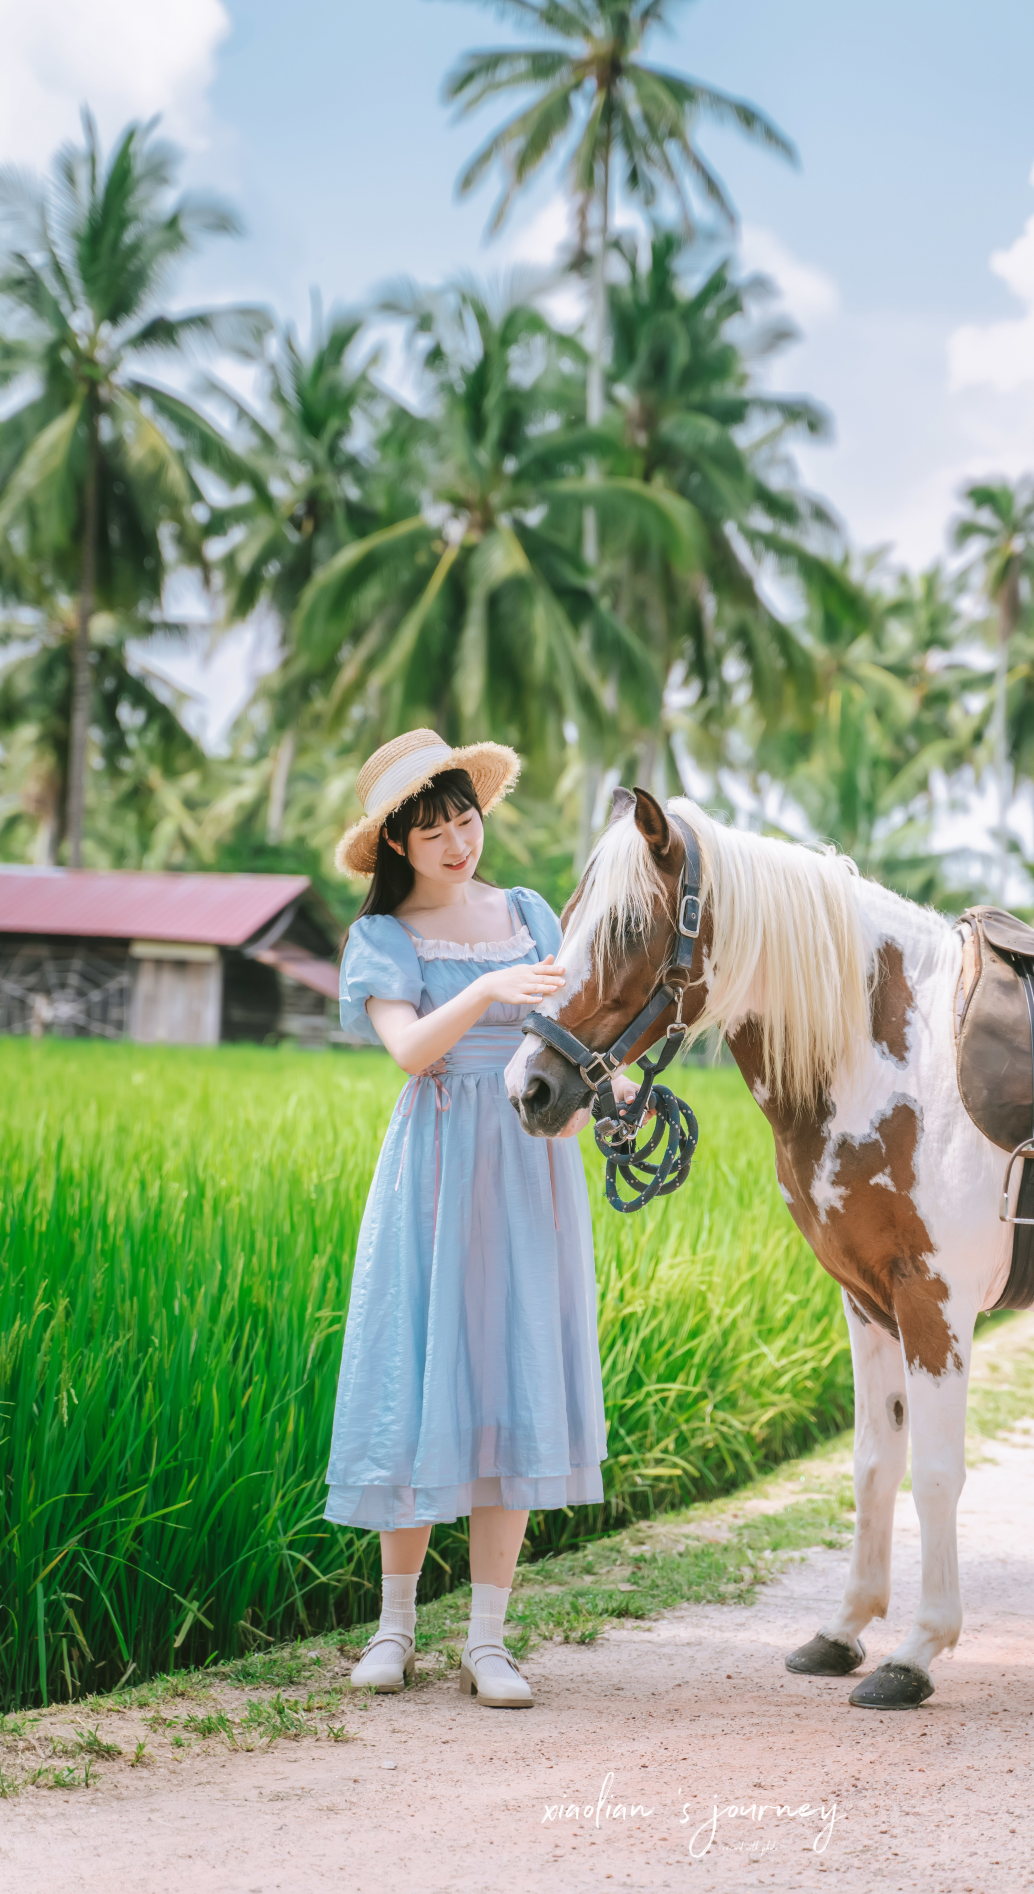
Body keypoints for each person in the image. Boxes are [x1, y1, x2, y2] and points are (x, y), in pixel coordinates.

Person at [325, 728, 621, 1708]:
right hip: (438, 1172)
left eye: (465, 817)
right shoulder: (384, 938)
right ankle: (394, 1626)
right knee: (419, 1382)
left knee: (512, 1381)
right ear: (398, 846)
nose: (458, 840)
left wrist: (592, 1101)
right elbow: (410, 1050)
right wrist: (491, 987)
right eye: (434, 828)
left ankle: (489, 1639)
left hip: (529, 1170)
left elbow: (575, 1034)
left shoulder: (531, 912)